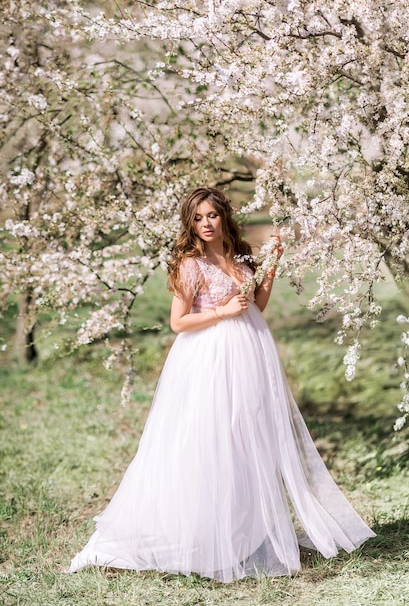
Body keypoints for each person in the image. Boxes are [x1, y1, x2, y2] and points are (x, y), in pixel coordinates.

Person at [68, 187, 375, 582]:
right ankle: (201, 533)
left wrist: (272, 264)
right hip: (209, 357)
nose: (205, 224)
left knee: (246, 438)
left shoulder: (239, 254)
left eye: (211, 215)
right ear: (189, 223)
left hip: (249, 353)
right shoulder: (190, 264)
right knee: (212, 438)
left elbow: (257, 304)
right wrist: (221, 311)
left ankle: (243, 531)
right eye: (197, 218)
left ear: (223, 216)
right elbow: (179, 322)